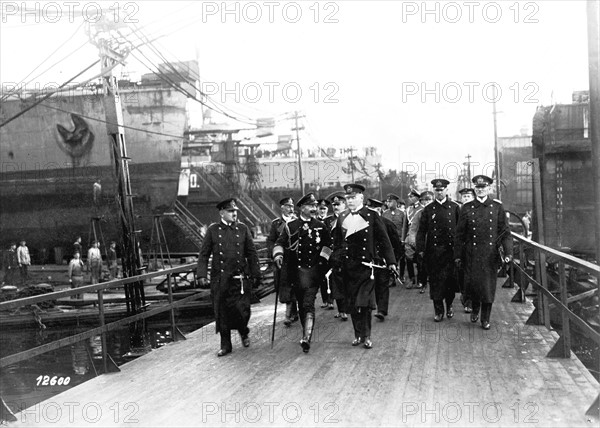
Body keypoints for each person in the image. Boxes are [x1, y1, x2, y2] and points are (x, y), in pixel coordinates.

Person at [331, 183, 397, 349]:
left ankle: (367, 335)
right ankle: (357, 334)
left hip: (366, 266)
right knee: (352, 302)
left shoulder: (372, 215)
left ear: (361, 197)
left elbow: (383, 240)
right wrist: (335, 262)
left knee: (365, 303)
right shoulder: (342, 217)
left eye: (353, 197)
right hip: (348, 266)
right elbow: (338, 243)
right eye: (348, 198)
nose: (350, 200)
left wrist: (391, 262)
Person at [197, 198, 261, 357]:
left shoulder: (243, 229)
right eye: (231, 211)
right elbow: (204, 254)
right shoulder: (213, 230)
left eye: (235, 211)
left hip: (239, 278)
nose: (234, 214)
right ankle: (225, 345)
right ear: (222, 213)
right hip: (221, 279)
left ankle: (243, 331)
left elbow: (251, 253)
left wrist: (256, 273)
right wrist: (201, 275)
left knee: (243, 310)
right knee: (222, 312)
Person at [273, 193, 332, 353]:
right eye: (310, 206)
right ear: (302, 208)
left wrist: (322, 262)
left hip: (313, 273)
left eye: (315, 206)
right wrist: (278, 255)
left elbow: (328, 245)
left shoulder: (321, 225)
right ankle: (305, 333)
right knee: (300, 306)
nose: (314, 209)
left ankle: (306, 338)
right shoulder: (291, 226)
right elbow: (279, 243)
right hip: (296, 274)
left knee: (308, 304)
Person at [454, 175, 513, 330]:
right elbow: (459, 234)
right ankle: (475, 309)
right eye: (478, 187)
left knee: (487, 287)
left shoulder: (497, 207)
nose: (480, 190)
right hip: (471, 254)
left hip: (489, 254)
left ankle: (485, 318)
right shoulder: (466, 208)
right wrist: (458, 255)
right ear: (475, 188)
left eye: (483, 187)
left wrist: (508, 253)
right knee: (473, 285)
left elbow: (505, 233)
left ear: (489, 188)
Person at [416, 179, 461, 322]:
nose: (439, 192)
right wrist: (421, 248)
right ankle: (438, 310)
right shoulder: (428, 209)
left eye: (442, 190)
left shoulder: (455, 208)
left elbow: (460, 232)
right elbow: (421, 231)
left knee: (450, 282)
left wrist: (460, 250)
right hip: (434, 252)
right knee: (436, 282)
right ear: (434, 191)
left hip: (450, 252)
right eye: (437, 190)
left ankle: (449, 305)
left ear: (447, 191)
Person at [367, 198, 402, 321]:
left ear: (381, 210)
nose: (373, 212)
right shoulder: (363, 224)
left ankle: (381, 310)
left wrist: (393, 261)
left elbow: (396, 244)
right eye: (370, 209)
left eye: (376, 209)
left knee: (382, 285)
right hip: (367, 262)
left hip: (382, 262)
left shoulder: (387, 224)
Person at [266, 197, 298, 327]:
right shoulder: (276, 224)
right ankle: (290, 312)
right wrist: (274, 253)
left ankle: (290, 313)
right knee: (284, 285)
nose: (291, 208)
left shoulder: (297, 222)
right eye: (288, 206)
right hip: (282, 259)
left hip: (295, 258)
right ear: (282, 208)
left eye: (292, 206)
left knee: (295, 285)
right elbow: (270, 241)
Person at [324, 193, 349, 321]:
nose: (335, 207)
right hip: (335, 256)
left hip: (349, 255)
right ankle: (342, 310)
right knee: (337, 283)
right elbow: (326, 241)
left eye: (338, 204)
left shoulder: (351, 217)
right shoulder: (327, 221)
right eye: (333, 205)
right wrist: (325, 258)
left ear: (345, 204)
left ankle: (351, 308)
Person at [457, 187, 476, 313]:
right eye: (464, 196)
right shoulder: (456, 209)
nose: (466, 198)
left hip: (474, 248)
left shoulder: (477, 210)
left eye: (468, 196)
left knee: (473, 275)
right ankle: (465, 296)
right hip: (460, 248)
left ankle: (470, 301)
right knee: (461, 275)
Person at [383, 193, 406, 286]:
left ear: (396, 202)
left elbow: (405, 227)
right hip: (389, 240)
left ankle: (402, 275)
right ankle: (392, 278)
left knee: (402, 257)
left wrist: (403, 239)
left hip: (399, 239)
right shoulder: (385, 213)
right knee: (391, 258)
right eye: (387, 202)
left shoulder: (402, 213)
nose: (388, 203)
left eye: (390, 201)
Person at [316, 198, 334, 309]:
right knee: (321, 276)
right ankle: (324, 300)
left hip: (328, 252)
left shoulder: (330, 221)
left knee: (330, 276)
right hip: (318, 253)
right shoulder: (314, 221)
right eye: (320, 209)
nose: (322, 211)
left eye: (324, 209)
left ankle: (331, 300)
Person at [404, 190, 423, 288]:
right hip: (409, 237)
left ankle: (420, 280)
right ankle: (411, 279)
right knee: (409, 259)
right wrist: (403, 239)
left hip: (419, 237)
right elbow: (405, 226)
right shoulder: (408, 210)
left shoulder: (422, 209)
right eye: (409, 197)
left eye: (412, 197)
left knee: (420, 259)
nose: (410, 198)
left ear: (417, 198)